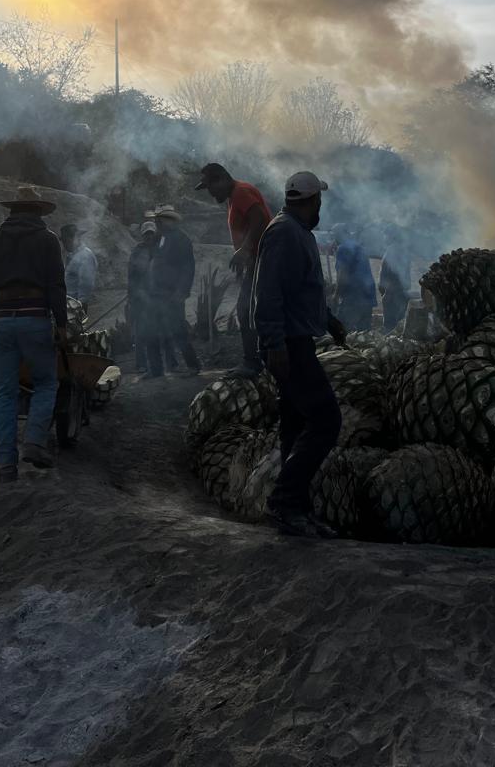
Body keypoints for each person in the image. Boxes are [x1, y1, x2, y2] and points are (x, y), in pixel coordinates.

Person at [253, 170, 347, 539]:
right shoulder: (284, 234)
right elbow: (270, 294)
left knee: (294, 426)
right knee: (326, 420)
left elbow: (304, 293)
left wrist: (330, 320)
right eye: (318, 200)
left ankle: (297, 510)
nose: (321, 206)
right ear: (310, 201)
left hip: (297, 340)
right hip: (289, 345)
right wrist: (274, 344)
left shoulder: (298, 233)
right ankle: (285, 501)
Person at [0, 184, 67, 483]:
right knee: (47, 384)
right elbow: (56, 286)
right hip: (36, 319)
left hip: (2, 323)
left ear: (11, 210)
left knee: (4, 393)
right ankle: (34, 442)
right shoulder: (48, 240)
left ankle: (6, 467)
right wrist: (62, 326)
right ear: (38, 211)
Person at [196, 162, 272, 377]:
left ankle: (253, 363)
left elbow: (259, 218)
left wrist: (246, 250)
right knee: (251, 311)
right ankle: (261, 358)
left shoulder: (240, 192)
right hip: (255, 261)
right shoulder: (234, 196)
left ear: (221, 179)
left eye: (210, 187)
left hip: (260, 259)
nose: (210, 193)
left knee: (245, 311)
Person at [148, 205, 200, 377]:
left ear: (170, 221)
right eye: (157, 219)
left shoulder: (181, 239)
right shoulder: (159, 239)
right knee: (152, 330)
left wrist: (182, 292)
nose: (157, 222)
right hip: (156, 292)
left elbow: (188, 268)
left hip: (172, 294)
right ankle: (156, 370)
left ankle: (193, 366)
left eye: (160, 219)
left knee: (178, 330)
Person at [332, 224, 377, 334]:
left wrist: (336, 295)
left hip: (354, 297)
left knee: (342, 329)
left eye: (335, 235)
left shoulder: (343, 248)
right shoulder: (358, 247)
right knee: (364, 334)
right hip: (368, 294)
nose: (334, 238)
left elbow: (343, 275)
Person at [127, 220, 158, 375]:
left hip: (155, 297)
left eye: (151, 233)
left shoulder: (159, 249)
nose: (149, 237)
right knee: (140, 333)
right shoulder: (137, 251)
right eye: (146, 234)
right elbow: (131, 276)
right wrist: (133, 295)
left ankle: (157, 364)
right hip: (140, 297)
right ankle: (141, 364)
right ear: (143, 235)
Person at [379, 230, 412, 331]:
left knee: (390, 325)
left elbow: (391, 273)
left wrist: (386, 292)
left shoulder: (391, 251)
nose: (384, 238)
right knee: (399, 324)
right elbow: (407, 281)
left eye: (386, 236)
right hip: (402, 293)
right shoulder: (405, 251)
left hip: (392, 294)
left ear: (391, 238)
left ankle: (390, 343)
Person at [60, 223, 98, 308]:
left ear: (74, 239)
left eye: (66, 241)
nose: (64, 245)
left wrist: (80, 305)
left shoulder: (85, 256)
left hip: (76, 305)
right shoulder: (71, 255)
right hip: (68, 303)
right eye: (64, 242)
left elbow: (86, 284)